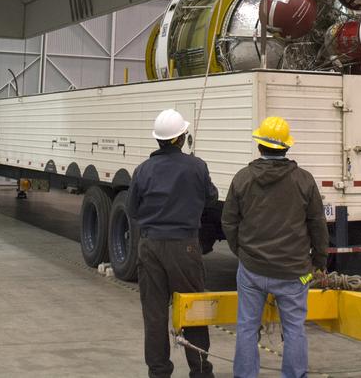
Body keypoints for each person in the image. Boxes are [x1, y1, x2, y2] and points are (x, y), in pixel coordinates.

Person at [222, 116, 328, 378]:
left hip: (252, 270)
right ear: (287, 148)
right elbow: (317, 224)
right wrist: (320, 262)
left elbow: (229, 221)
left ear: (259, 145)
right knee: (294, 330)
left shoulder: (243, 178)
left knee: (247, 327)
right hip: (295, 272)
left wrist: (242, 252)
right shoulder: (304, 180)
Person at [130, 108, 218, 378]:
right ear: (182, 138)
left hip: (151, 246)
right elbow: (211, 199)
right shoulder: (197, 166)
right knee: (193, 309)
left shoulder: (143, 170)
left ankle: (158, 372)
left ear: (157, 140)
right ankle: (200, 371)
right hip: (185, 246)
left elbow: (133, 210)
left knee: (154, 314)